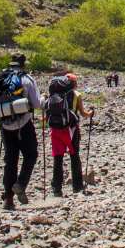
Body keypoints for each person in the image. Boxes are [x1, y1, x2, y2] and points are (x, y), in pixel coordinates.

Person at [0, 53, 43, 209]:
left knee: (10, 161)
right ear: (23, 64)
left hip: (5, 124)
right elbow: (37, 104)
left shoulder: (0, 78)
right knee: (31, 155)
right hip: (24, 123)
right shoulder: (27, 79)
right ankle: (21, 183)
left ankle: (8, 199)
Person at [44, 68, 90, 196]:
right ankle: (77, 186)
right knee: (74, 156)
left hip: (55, 130)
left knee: (57, 158)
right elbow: (83, 113)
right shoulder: (76, 95)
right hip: (71, 130)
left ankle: (57, 188)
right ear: (74, 83)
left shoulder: (53, 95)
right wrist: (91, 113)